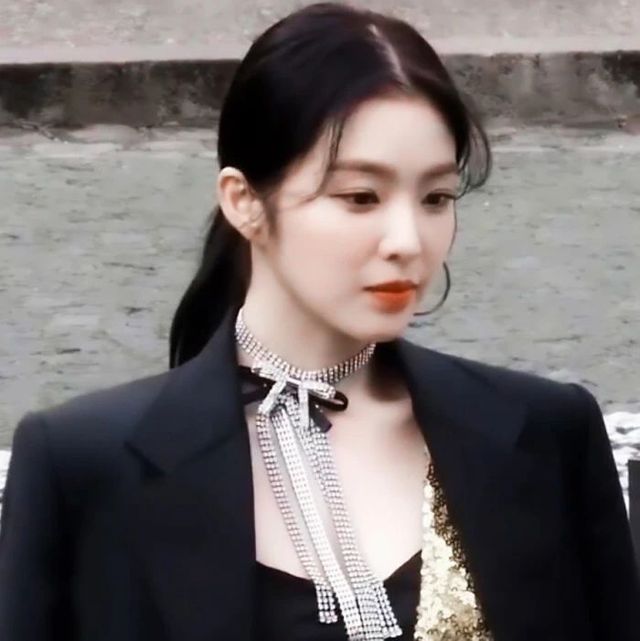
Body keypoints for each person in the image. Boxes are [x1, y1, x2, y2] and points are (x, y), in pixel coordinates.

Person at [1, 2, 638, 640]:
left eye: (436, 198)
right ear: (245, 202)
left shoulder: (547, 434)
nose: (407, 241)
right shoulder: (83, 466)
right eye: (360, 197)